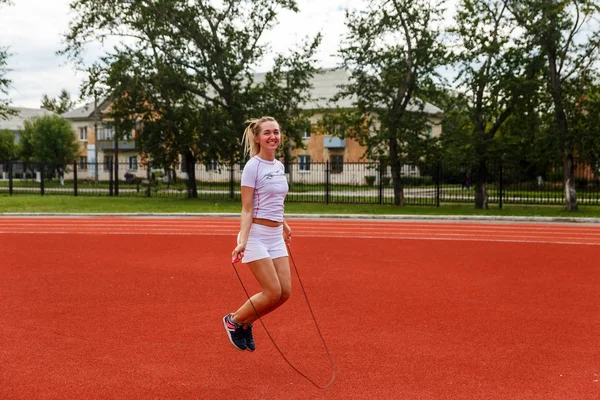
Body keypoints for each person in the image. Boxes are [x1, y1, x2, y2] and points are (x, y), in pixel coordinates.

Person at [223, 116, 292, 352]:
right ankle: (233, 321)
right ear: (257, 138)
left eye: (276, 132)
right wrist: (242, 240)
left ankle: (245, 324)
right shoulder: (253, 166)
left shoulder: (279, 166)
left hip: (275, 235)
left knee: (284, 294)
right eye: (267, 133)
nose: (273, 136)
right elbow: (247, 208)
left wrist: (283, 223)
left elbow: (274, 200)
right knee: (272, 291)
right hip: (256, 235)